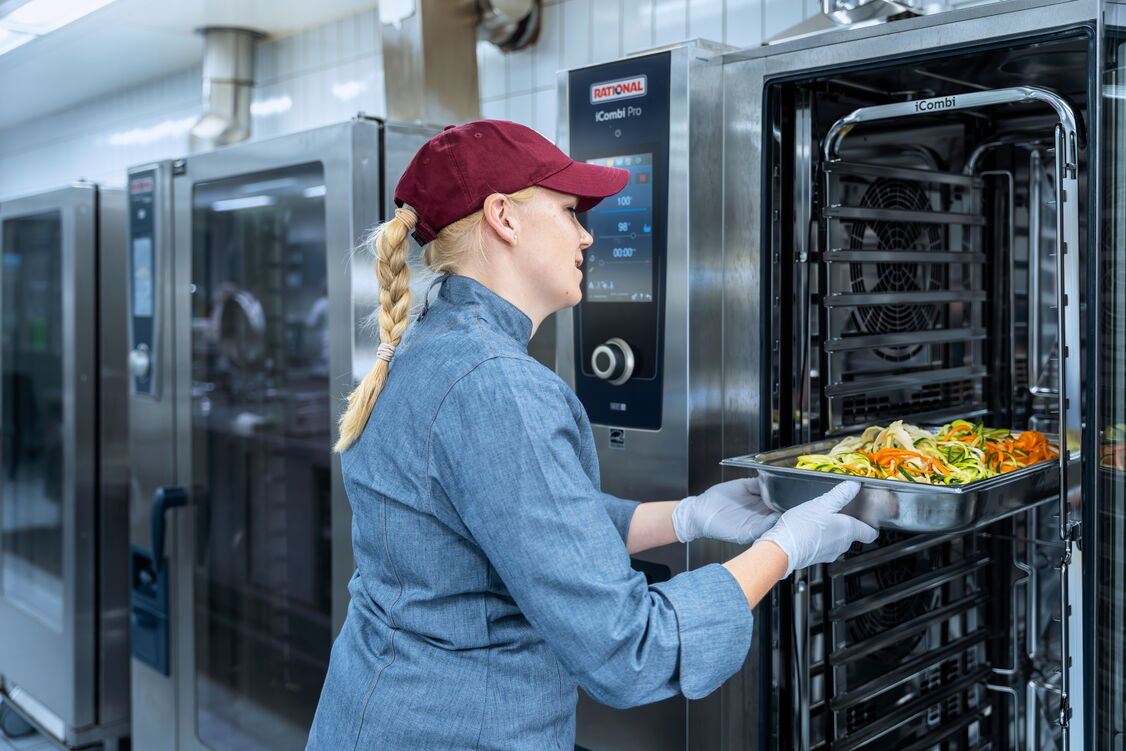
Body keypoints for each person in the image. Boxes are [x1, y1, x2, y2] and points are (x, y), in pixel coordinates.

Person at [305, 120, 878, 750]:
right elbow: (630, 651)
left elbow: (522, 524)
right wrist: (786, 549)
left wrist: (687, 517)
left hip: (380, 713)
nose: (586, 236)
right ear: (505, 217)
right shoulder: (496, 383)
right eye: (572, 211)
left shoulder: (433, 349)